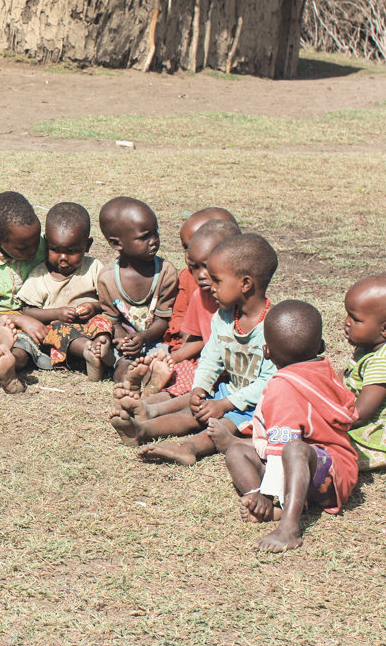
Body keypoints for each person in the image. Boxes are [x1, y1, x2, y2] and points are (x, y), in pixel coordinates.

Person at [110, 234, 278, 466]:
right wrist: (200, 388)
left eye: (218, 281)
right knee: (195, 407)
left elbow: (270, 383)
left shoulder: (273, 327)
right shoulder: (226, 316)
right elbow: (211, 356)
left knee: (224, 423)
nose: (213, 288)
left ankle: (188, 448)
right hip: (229, 392)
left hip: (258, 406)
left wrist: (225, 405)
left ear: (245, 284)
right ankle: (142, 429)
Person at [221, 301, 358, 553]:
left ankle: (288, 526)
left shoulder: (284, 387)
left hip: (330, 475)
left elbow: (282, 447)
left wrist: (267, 490)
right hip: (322, 468)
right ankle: (261, 503)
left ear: (267, 351)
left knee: (295, 449)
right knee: (236, 450)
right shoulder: (323, 368)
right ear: (320, 346)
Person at [135, 219, 241, 399]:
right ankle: (147, 400)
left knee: (197, 386)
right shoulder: (200, 297)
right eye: (194, 266)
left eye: (206, 266)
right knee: (182, 374)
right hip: (209, 364)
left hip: (239, 371)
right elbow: (198, 340)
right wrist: (172, 359)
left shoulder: (242, 300)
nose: (200, 275)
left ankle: (150, 407)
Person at [16, 202, 110, 379]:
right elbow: (27, 311)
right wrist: (56, 313)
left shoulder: (94, 268)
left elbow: (107, 301)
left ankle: (101, 345)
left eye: (72, 251)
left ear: (87, 245)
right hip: (60, 331)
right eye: (55, 250)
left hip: (89, 326)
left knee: (104, 320)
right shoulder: (40, 275)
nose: (63, 259)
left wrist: (94, 307)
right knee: (57, 329)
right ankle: (88, 351)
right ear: (46, 242)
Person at [95, 196, 178, 390]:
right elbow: (113, 320)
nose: (154, 241)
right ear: (117, 244)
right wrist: (125, 340)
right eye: (144, 237)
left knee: (165, 360)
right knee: (123, 365)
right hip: (127, 345)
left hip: (156, 341)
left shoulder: (166, 272)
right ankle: (130, 381)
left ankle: (152, 381)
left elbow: (164, 319)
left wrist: (144, 337)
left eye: (155, 233)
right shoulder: (107, 279)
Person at [0, 191, 48, 394]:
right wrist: (19, 320)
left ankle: (9, 362)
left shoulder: (42, 245)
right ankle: (0, 359)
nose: (34, 249)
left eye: (36, 242)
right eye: (24, 248)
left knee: (22, 349)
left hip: (36, 318)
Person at [164, 208, 238, 367]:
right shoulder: (189, 278)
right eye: (186, 248)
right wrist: (183, 330)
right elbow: (179, 312)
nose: (188, 256)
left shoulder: (238, 289)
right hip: (190, 342)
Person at [341, 274, 386, 471]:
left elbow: (361, 414)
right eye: (348, 314)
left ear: (384, 330)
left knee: (333, 449)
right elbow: (347, 376)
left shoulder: (381, 361)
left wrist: (327, 423)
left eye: (356, 319)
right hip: (356, 418)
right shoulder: (367, 346)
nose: (347, 322)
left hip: (374, 435)